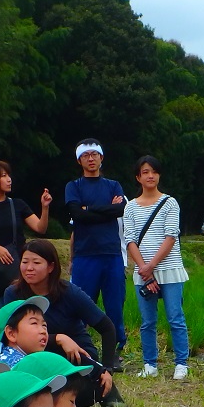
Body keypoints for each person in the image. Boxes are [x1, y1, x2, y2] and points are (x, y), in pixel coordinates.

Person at [0, 239, 117, 407]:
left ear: (50, 267)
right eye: (25, 262)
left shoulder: (69, 292)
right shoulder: (13, 294)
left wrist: (107, 368)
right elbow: (9, 336)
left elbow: (107, 328)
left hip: (76, 358)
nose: (29, 268)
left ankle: (106, 392)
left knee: (89, 389)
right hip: (35, 358)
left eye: (36, 262)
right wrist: (58, 339)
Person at [124, 155, 191, 380]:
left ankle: (181, 363)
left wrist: (150, 265)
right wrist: (143, 268)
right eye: (145, 172)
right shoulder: (130, 207)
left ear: (159, 175)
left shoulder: (170, 203)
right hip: (143, 272)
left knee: (175, 317)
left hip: (169, 269)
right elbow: (130, 239)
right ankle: (149, 364)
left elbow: (171, 236)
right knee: (148, 321)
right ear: (138, 177)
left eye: (153, 171)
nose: (150, 175)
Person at [65, 139, 129, 360]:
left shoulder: (113, 185)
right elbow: (78, 214)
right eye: (86, 155)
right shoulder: (74, 186)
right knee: (80, 306)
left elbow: (120, 210)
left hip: (112, 255)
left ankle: (114, 353)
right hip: (85, 255)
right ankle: (79, 351)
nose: (91, 159)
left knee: (114, 306)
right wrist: (106, 209)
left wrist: (89, 209)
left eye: (94, 154)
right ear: (79, 160)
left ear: (101, 158)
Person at [0, 160, 51, 306]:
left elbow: (40, 228)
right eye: (3, 176)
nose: (9, 179)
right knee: (3, 311)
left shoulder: (18, 204)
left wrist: (44, 208)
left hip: (18, 262)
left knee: (24, 305)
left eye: (8, 175)